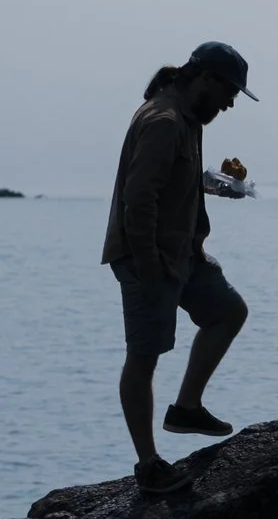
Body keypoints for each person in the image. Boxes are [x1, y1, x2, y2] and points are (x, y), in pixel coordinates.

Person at [102, 41, 259, 495]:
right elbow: (139, 200)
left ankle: (186, 408)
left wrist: (217, 185)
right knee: (144, 356)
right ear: (204, 79)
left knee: (228, 312)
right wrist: (150, 268)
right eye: (229, 91)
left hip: (183, 253)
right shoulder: (164, 121)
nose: (230, 103)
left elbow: (177, 176)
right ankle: (149, 464)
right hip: (146, 258)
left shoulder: (189, 117)